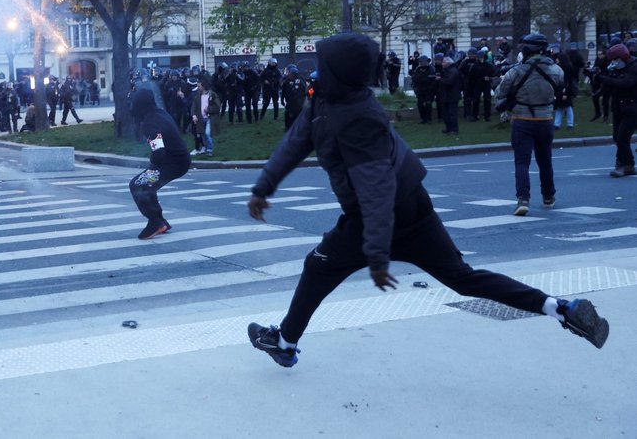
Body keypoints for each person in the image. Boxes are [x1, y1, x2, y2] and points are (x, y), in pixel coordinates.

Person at [244, 32, 609, 370]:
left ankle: (285, 344)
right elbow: (296, 140)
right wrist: (264, 186)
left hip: (380, 216)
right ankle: (559, 308)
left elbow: (376, 190)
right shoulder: (325, 98)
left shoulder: (359, 117)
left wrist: (375, 253)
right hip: (409, 206)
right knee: (464, 278)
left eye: (323, 63)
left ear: (339, 71)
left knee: (318, 268)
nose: (316, 69)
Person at [493, 33, 564, 216]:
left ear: (526, 50)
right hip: (546, 120)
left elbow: (500, 94)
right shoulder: (556, 70)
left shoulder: (516, 71)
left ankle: (523, 200)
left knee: (522, 163)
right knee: (545, 161)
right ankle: (548, 196)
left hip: (522, 120)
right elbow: (560, 90)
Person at [128, 88, 191, 240]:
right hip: (180, 160)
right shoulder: (160, 113)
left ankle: (155, 221)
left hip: (172, 163)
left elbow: (159, 153)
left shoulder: (149, 122)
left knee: (137, 185)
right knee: (147, 184)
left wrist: (152, 167)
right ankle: (160, 220)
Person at [601, 43, 637, 177]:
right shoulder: (617, 69)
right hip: (618, 107)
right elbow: (611, 86)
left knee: (622, 137)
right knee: (618, 137)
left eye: (615, 60)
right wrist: (600, 77)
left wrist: (605, 79)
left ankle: (622, 164)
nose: (613, 63)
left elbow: (625, 83)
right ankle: (628, 164)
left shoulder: (634, 67)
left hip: (631, 107)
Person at [190, 77, 220, 157]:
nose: (198, 87)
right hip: (200, 119)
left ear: (203, 86)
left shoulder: (212, 94)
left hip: (209, 118)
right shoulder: (198, 96)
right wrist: (194, 115)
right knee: (202, 134)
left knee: (207, 133)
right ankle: (206, 148)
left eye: (199, 86)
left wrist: (209, 109)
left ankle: (210, 150)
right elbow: (193, 107)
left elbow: (217, 107)